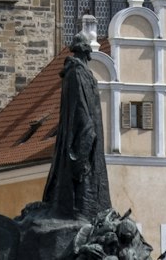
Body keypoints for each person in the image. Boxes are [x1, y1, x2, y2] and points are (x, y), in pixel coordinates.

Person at [42, 33, 111, 219]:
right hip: (84, 141)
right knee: (84, 192)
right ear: (86, 52)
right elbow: (82, 111)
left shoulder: (80, 73)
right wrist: (83, 148)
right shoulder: (77, 73)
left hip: (88, 138)